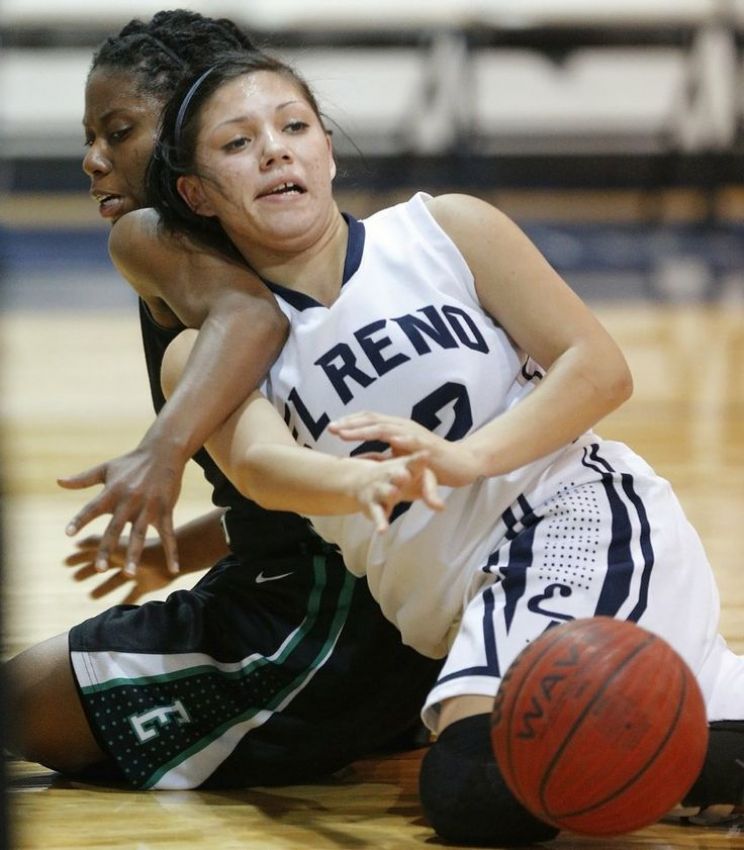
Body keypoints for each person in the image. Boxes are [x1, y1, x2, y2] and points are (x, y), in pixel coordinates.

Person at [148, 52, 744, 844]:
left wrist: (467, 459)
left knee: (476, 784)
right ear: (196, 192)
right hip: (471, 604)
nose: (276, 150)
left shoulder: (444, 229)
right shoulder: (203, 351)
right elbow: (258, 466)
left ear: (325, 149)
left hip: (572, 521)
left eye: (294, 127)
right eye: (238, 143)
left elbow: (598, 367)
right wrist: (352, 482)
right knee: (546, 772)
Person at [5, 10, 442, 792]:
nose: (92, 159)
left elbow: (251, 317)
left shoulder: (146, 231)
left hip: (315, 628)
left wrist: (163, 450)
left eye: (119, 132)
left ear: (185, 128)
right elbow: (294, 482)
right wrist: (192, 545)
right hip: (397, 611)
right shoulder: (283, 239)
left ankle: (326, 719)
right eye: (92, 137)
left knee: (19, 706)